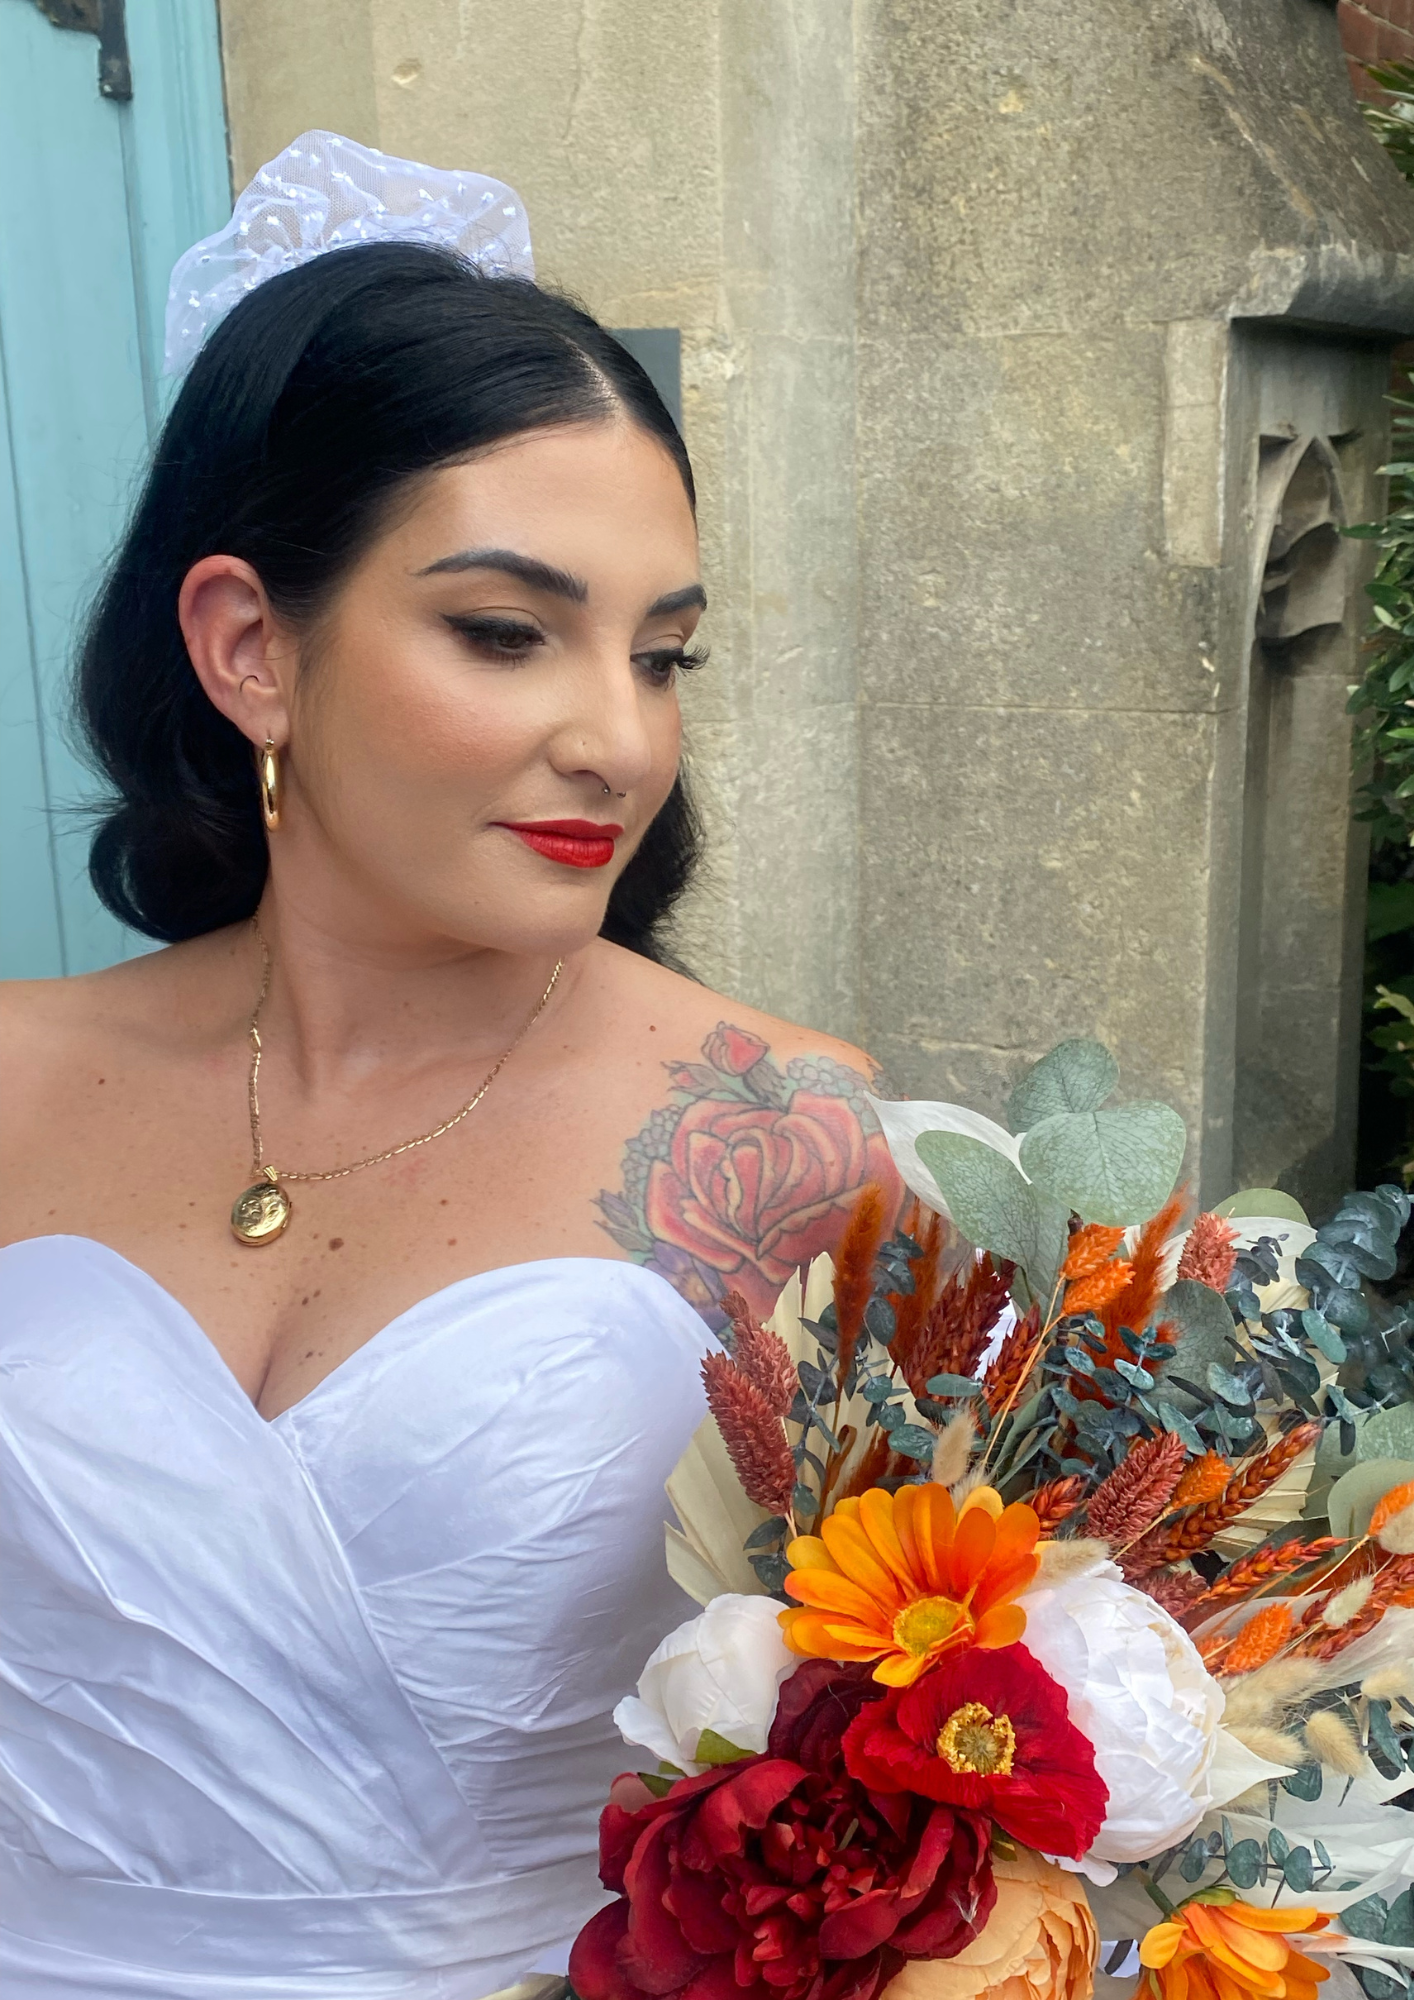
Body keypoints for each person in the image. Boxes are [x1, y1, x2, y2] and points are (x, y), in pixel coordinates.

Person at [0, 136, 899, 1996]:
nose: (615, 739)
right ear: (250, 644)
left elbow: (895, 1753)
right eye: (506, 633)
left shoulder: (777, 1132)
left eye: (663, 657)